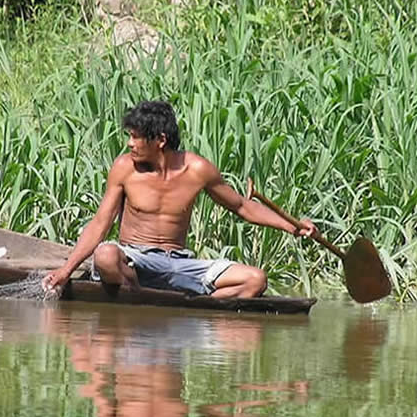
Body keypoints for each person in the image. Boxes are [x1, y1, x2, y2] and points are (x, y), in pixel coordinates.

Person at [42, 100, 317, 298]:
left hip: (180, 263)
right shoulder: (125, 167)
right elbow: (101, 223)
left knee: (255, 280)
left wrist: (292, 226)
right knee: (105, 255)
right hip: (136, 260)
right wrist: (66, 270)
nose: (129, 144)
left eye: (136, 138)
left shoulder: (197, 169)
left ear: (160, 139)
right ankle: (138, 293)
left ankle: (197, 304)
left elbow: (242, 206)